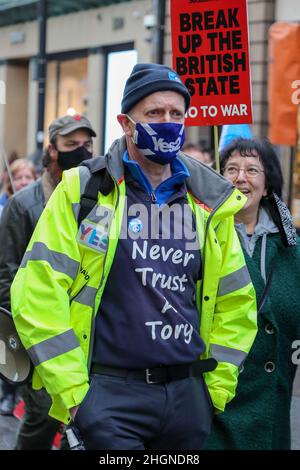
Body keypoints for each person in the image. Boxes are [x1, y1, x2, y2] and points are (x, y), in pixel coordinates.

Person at [11, 63, 257, 450]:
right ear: (126, 123)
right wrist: (77, 397)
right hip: (109, 397)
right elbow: (37, 293)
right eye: (154, 114)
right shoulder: (83, 189)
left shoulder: (210, 202)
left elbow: (236, 303)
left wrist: (213, 392)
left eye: (177, 114)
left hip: (187, 400)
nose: (168, 123)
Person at [0, 114, 96, 448]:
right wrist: (22, 332)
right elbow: (5, 273)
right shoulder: (22, 204)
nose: (82, 152)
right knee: (42, 417)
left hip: (88, 335)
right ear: (52, 149)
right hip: (40, 336)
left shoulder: (100, 198)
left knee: (87, 424)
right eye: (72, 146)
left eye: (87, 145)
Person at [205, 138, 300, 450]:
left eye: (251, 170)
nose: (240, 178)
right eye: (231, 169)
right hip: (215, 392)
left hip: (272, 394)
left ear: (267, 182)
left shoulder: (291, 246)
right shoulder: (200, 234)